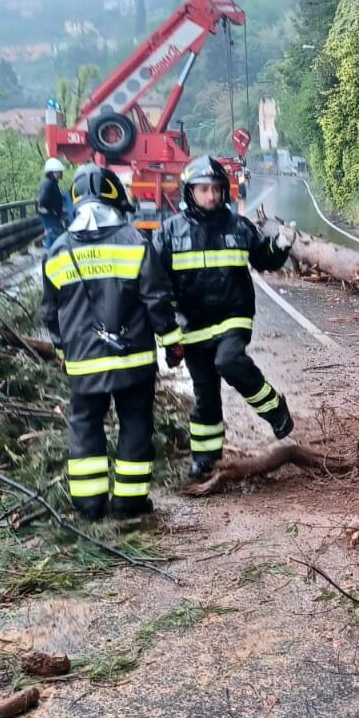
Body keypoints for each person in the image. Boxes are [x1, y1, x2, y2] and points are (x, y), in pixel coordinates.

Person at [41, 163, 184, 521]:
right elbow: (157, 300)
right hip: (132, 360)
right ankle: (129, 504)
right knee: (135, 424)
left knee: (85, 425)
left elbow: (50, 312)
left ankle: (89, 506)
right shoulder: (135, 242)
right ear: (116, 199)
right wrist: (172, 342)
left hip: (83, 363)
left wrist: (62, 349)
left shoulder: (58, 250)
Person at [152, 155, 295, 479]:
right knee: (205, 395)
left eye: (216, 188)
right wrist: (168, 333)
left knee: (229, 361)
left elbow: (263, 259)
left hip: (233, 316)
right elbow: (156, 286)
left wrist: (282, 245)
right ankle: (206, 458)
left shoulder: (238, 226)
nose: (211, 195)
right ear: (190, 192)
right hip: (192, 326)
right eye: (204, 189)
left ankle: (275, 409)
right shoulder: (169, 233)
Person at [37, 157, 67, 248]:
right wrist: (51, 210)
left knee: (55, 236)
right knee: (53, 236)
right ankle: (50, 257)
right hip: (50, 216)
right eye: (58, 171)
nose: (60, 173)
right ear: (52, 172)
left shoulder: (52, 182)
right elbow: (43, 200)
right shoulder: (48, 183)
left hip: (53, 215)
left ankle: (52, 256)